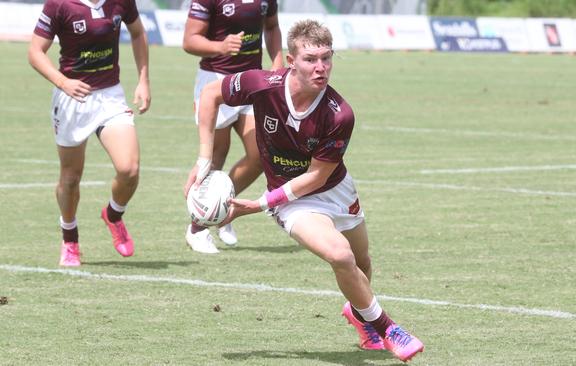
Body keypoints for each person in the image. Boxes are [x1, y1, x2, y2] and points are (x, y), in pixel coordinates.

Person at [185, 20, 424, 362]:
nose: (321, 67)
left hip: (335, 189)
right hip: (290, 200)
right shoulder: (262, 84)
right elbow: (210, 94)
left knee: (362, 264)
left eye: (327, 58)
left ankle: (359, 315)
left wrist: (259, 203)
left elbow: (315, 177)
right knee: (340, 256)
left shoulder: (339, 114)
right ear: (290, 59)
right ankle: (389, 329)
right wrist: (204, 160)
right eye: (311, 59)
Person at [28, 0, 151, 266]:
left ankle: (114, 215)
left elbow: (138, 32)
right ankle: (70, 238)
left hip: (110, 95)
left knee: (129, 169)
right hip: (72, 97)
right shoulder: (59, 5)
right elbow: (35, 52)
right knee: (71, 178)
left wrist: (143, 80)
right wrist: (63, 82)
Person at [182, 0, 283, 253]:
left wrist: (278, 62)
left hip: (252, 81)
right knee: (216, 155)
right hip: (215, 81)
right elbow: (189, 40)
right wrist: (220, 46)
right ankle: (197, 227)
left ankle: (222, 207)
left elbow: (271, 26)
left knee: (261, 154)